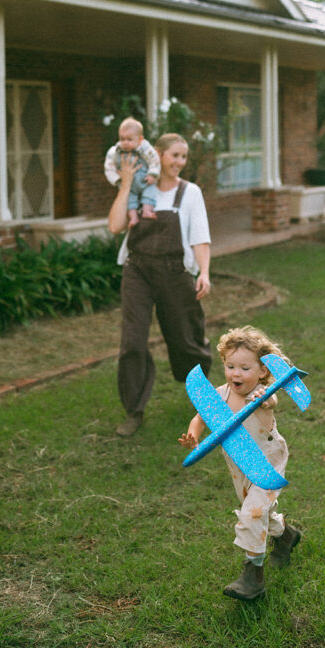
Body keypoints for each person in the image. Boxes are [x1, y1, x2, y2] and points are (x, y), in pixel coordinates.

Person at [179, 325, 302, 601]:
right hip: (239, 464)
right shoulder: (220, 394)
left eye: (245, 368)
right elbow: (200, 417)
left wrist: (264, 399)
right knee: (260, 512)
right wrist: (194, 437)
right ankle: (286, 536)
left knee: (252, 513)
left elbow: (271, 402)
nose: (236, 373)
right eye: (231, 365)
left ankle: (253, 576)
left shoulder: (263, 393)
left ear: (262, 372)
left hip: (267, 462)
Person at [108, 132, 212, 437]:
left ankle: (202, 397)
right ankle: (134, 410)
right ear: (157, 154)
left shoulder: (190, 193)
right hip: (137, 270)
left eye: (184, 157)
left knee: (187, 338)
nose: (179, 162)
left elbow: (200, 237)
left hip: (175, 271)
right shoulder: (140, 189)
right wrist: (127, 184)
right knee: (133, 342)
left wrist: (203, 272)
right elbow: (115, 225)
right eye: (174, 155)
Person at [104, 116, 161, 226]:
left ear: (140, 139)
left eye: (129, 139)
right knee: (130, 200)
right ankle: (133, 217)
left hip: (145, 180)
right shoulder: (114, 152)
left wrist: (153, 174)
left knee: (150, 191)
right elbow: (109, 167)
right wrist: (117, 179)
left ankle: (146, 211)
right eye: (122, 139)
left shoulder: (145, 148)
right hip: (127, 184)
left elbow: (154, 160)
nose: (125, 143)